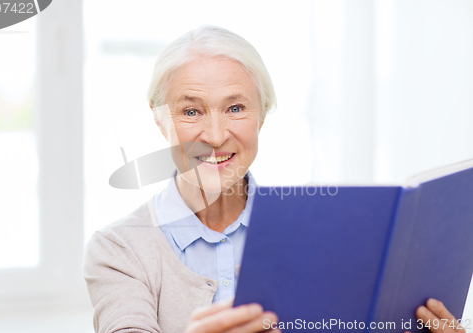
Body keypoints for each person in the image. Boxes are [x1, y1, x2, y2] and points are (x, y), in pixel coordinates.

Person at [83, 25, 465, 333]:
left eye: (235, 108)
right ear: (159, 118)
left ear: (262, 115)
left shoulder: (322, 233)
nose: (215, 136)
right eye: (191, 111)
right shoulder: (119, 250)